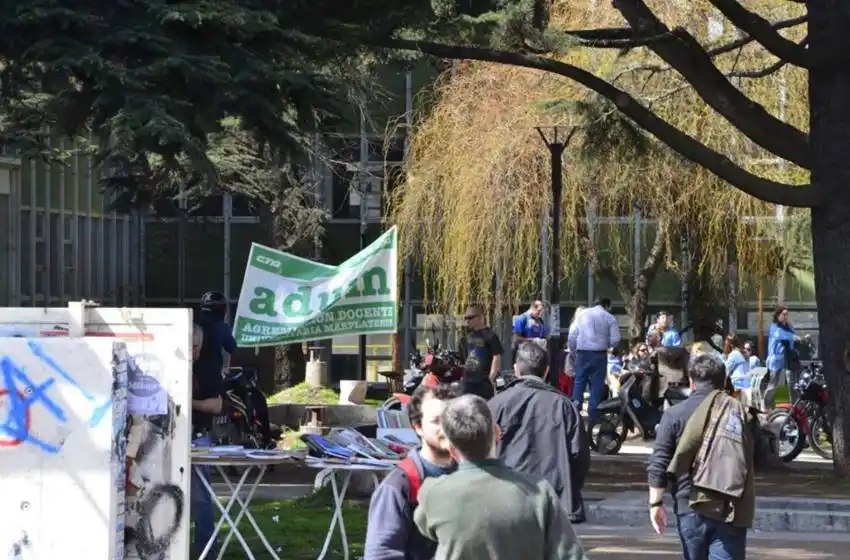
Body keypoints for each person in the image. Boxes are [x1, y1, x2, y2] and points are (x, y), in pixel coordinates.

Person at [413, 394, 589, 560]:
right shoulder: (539, 492)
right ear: (497, 433)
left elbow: (424, 525)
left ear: (451, 449)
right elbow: (570, 555)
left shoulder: (434, 493)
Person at [647, 354, 757, 560]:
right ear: (724, 381)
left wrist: (656, 504)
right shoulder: (740, 414)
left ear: (691, 381)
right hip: (730, 506)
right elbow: (753, 458)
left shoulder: (674, 414)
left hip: (689, 504)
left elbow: (659, 462)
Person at [489, 342, 590, 523]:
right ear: (546, 371)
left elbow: (479, 453)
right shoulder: (564, 406)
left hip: (505, 499)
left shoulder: (496, 404)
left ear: (516, 370)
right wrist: (570, 489)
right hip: (552, 499)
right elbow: (579, 455)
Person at [364, 384, 458, 560]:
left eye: (451, 419)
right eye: (436, 421)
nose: (446, 427)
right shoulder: (399, 485)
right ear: (417, 427)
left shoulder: (470, 475)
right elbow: (382, 553)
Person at [190, 321, 225, 557]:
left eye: (198, 347)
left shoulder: (207, 367)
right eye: (192, 347)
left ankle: (206, 550)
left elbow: (217, 405)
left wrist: (188, 402)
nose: (196, 352)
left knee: (201, 496)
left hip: (199, 435)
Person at [567, 296, 620, 420]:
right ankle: (594, 413)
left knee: (579, 380)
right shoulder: (609, 317)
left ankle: (575, 408)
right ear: (607, 306)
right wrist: (606, 344)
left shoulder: (582, 315)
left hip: (582, 353)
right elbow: (616, 339)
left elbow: (572, 335)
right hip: (599, 354)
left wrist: (575, 351)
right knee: (597, 384)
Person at [461, 303, 503, 400]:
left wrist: (491, 378)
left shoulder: (490, 335)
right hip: (468, 381)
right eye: (466, 318)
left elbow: (497, 357)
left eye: (470, 317)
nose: (468, 321)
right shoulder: (468, 335)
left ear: (481, 317)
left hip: (483, 382)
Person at [764, 304, 800, 410]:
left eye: (786, 314)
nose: (785, 316)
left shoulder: (788, 326)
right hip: (776, 360)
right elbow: (781, 335)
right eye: (783, 314)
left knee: (791, 384)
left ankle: (793, 408)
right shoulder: (774, 327)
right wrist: (794, 337)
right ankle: (766, 407)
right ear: (778, 315)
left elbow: (792, 339)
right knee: (773, 385)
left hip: (788, 359)